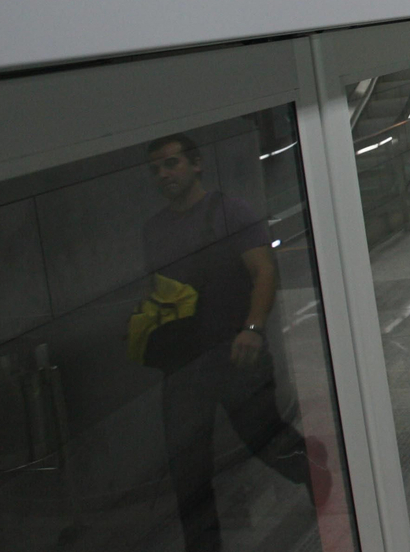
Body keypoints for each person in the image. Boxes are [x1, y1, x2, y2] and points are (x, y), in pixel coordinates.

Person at [141, 135, 323, 552]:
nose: (165, 175)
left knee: (264, 440)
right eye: (157, 169)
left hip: (237, 354)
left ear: (197, 164)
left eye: (172, 164)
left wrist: (253, 330)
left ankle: (313, 473)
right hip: (184, 365)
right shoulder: (154, 230)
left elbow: (264, 272)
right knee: (187, 471)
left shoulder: (231, 213)